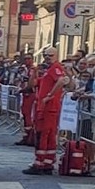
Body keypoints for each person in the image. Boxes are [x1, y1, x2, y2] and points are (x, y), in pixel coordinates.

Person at [25, 46, 66, 175]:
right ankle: (47, 163)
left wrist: (49, 96)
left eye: (50, 55)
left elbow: (61, 80)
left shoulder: (56, 68)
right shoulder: (48, 71)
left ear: (56, 55)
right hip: (44, 108)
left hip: (49, 108)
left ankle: (40, 163)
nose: (47, 57)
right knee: (47, 136)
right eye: (45, 55)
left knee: (43, 135)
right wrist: (34, 73)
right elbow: (32, 85)